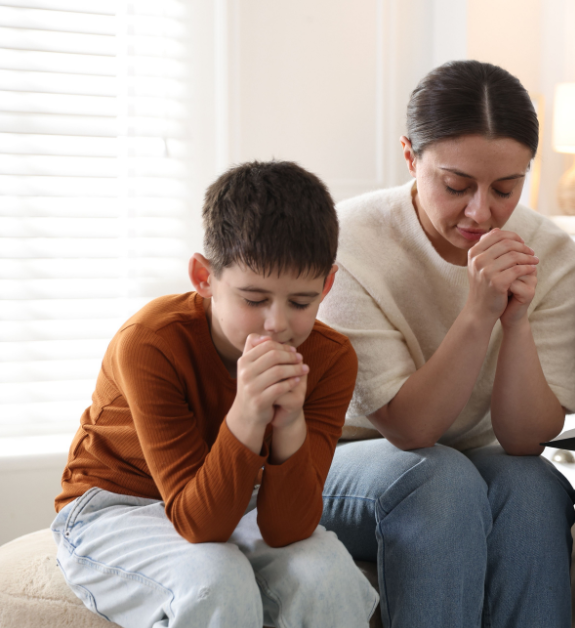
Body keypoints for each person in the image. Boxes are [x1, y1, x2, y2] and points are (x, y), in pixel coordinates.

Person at [316, 59, 575, 628]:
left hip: (479, 462)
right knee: (439, 476)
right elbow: (411, 430)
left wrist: (515, 322)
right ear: (411, 158)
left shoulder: (556, 258)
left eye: (506, 188)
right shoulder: (350, 244)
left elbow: (524, 440)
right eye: (456, 185)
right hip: (340, 461)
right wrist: (478, 311)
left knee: (535, 484)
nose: (480, 212)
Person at [51, 161, 378, 628]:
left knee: (327, 575)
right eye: (253, 299)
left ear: (327, 284)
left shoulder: (330, 358)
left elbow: (288, 529)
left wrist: (288, 424)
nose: (278, 324)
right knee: (216, 579)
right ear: (204, 278)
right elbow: (201, 526)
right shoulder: (151, 341)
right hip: (114, 506)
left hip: (236, 496)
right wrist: (246, 413)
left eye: (301, 302)